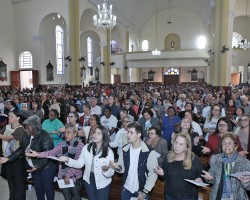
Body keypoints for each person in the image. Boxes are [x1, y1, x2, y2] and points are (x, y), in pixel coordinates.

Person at [0, 115, 56, 200]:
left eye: (28, 128)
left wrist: (37, 167)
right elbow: (22, 148)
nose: (26, 130)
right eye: (25, 128)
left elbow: (47, 156)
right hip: (33, 166)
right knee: (38, 188)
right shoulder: (27, 134)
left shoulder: (45, 137)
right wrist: (8, 158)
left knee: (47, 188)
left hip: (47, 166)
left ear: (35, 127)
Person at [26, 124, 84, 200]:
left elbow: (77, 162)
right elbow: (51, 152)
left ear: (75, 133)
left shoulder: (80, 145)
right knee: (67, 197)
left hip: (74, 177)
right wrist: (38, 154)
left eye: (68, 133)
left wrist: (68, 175)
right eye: (65, 132)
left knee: (77, 197)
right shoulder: (62, 144)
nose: (66, 135)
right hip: (62, 176)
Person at [58, 125, 115, 200]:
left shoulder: (109, 151)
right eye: (94, 132)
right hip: (89, 179)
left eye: (98, 133)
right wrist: (68, 160)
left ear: (104, 136)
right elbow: (79, 164)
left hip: (103, 180)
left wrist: (106, 170)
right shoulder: (86, 147)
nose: (94, 135)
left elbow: (111, 172)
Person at [109, 124, 158, 200]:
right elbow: (121, 170)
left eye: (131, 133)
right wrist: (117, 167)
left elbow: (153, 174)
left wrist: (145, 192)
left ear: (139, 134)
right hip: (126, 189)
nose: (128, 135)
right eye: (128, 132)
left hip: (140, 191)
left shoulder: (149, 152)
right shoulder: (125, 149)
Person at [154, 132, 203, 200]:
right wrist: (162, 174)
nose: (177, 146)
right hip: (170, 195)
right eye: (176, 142)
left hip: (189, 196)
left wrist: (199, 179)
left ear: (187, 147)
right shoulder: (168, 158)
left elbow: (201, 175)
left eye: (181, 144)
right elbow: (165, 178)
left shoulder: (194, 159)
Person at [202, 132, 250, 199]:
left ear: (236, 146)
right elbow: (212, 178)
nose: (226, 145)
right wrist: (210, 178)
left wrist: (246, 183)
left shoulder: (245, 162)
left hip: (237, 197)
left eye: (230, 143)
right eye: (224, 143)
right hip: (219, 196)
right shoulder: (215, 159)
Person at [0, 109, 26, 200]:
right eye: (9, 116)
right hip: (7, 158)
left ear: (18, 118)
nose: (9, 118)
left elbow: (8, 138)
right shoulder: (7, 127)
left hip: (17, 158)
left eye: (11, 116)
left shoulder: (20, 129)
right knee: (10, 181)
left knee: (19, 183)